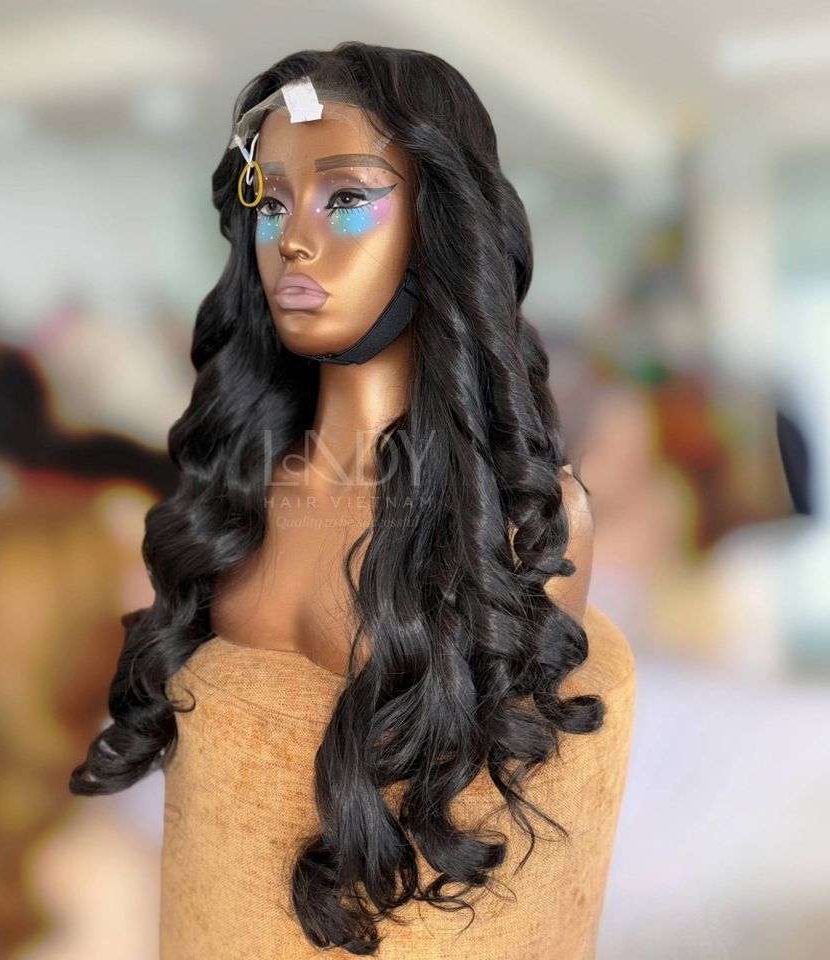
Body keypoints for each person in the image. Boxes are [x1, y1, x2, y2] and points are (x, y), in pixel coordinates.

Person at [70, 42, 635, 958]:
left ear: (438, 222)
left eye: (346, 198)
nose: (294, 240)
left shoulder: (529, 524)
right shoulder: (239, 484)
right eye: (271, 203)